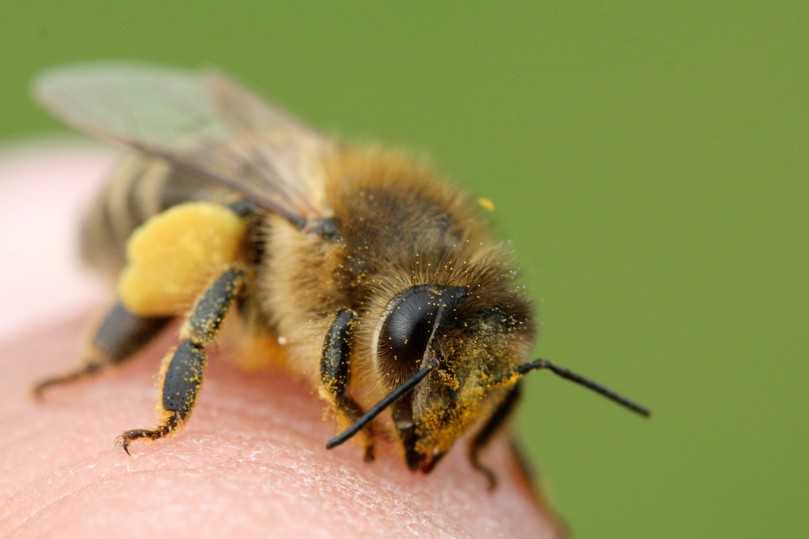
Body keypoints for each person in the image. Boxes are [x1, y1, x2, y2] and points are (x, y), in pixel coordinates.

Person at [0, 145, 563, 538]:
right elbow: (274, 290)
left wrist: (491, 448)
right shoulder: (339, 255)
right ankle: (105, 360)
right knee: (230, 261)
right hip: (166, 191)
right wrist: (342, 401)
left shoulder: (424, 297)